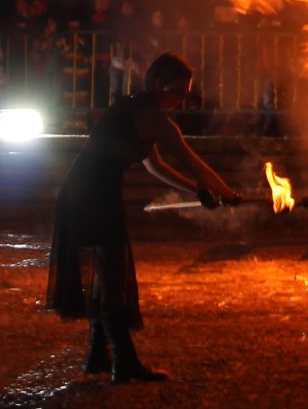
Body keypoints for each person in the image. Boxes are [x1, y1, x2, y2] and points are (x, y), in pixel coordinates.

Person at [48, 50, 241, 382]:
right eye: (177, 91)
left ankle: (98, 355)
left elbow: (157, 166)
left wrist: (198, 192)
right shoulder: (152, 117)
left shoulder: (138, 108)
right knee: (111, 276)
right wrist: (227, 194)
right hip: (93, 195)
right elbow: (191, 160)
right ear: (158, 83)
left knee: (103, 275)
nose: (181, 100)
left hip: (86, 191)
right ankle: (123, 364)